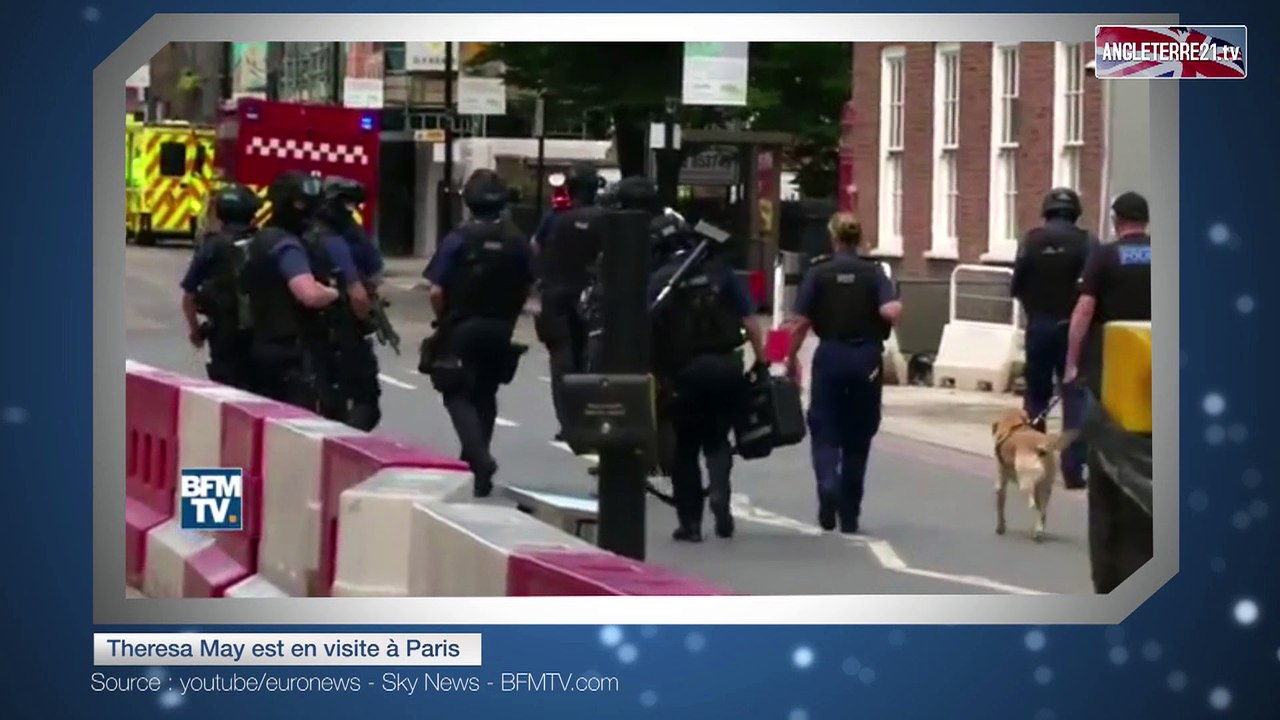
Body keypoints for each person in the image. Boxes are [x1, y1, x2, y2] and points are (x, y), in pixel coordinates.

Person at [648, 211, 764, 542]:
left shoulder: (660, 281)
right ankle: (719, 492)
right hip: (727, 365)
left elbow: (648, 332)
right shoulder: (719, 271)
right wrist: (762, 361)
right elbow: (751, 320)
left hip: (685, 373)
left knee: (685, 449)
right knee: (717, 439)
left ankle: (691, 523)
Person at [785, 213, 902, 534]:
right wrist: (890, 313)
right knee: (859, 434)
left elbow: (801, 323)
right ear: (859, 238)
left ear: (833, 238)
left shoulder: (818, 273)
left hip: (830, 357)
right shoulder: (875, 272)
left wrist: (789, 358)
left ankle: (827, 484)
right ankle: (850, 513)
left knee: (824, 429)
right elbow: (889, 310)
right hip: (866, 359)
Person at [422, 169, 534, 497]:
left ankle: (479, 458)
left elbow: (436, 290)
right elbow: (529, 282)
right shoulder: (517, 239)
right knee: (485, 394)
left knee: (455, 391)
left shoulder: (459, 238)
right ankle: (477, 469)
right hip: (501, 327)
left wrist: (443, 320)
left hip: (461, 325)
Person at [1064, 191, 1153, 594]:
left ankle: (1111, 579)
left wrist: (1071, 362)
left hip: (1111, 380)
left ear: (1116, 220)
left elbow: (1084, 311)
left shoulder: (1104, 256)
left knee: (1108, 472)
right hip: (1158, 384)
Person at [1011, 187, 1098, 489]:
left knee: (1036, 397)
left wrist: (1035, 312)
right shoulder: (1087, 242)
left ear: (1046, 211)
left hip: (1039, 327)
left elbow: (1017, 286)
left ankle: (1033, 462)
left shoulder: (1030, 241)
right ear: (1075, 213)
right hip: (1073, 330)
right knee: (1074, 398)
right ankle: (1073, 469)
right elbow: (1093, 290)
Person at [240, 171, 343, 409]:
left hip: (258, 346)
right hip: (290, 354)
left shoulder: (260, 240)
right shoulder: (287, 246)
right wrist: (334, 294)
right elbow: (308, 294)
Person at [532, 163, 608, 441]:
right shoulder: (607, 218)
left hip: (556, 296)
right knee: (593, 358)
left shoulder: (555, 218)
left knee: (562, 361)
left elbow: (536, 247)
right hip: (594, 298)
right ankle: (593, 417)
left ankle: (568, 422)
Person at [308, 177, 381, 430]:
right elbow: (360, 289)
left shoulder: (311, 232)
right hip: (341, 327)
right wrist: (364, 319)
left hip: (311, 327)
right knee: (364, 401)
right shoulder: (337, 238)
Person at [180, 184, 261, 391]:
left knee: (226, 390)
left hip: (223, 333)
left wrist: (195, 331)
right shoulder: (265, 241)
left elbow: (188, 295)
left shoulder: (212, 246)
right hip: (262, 334)